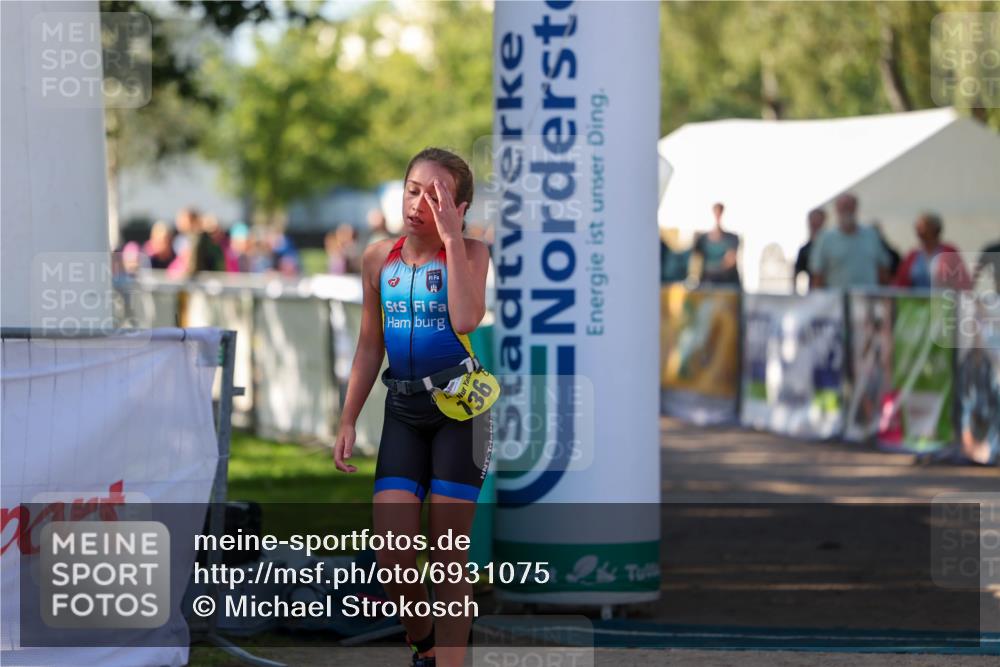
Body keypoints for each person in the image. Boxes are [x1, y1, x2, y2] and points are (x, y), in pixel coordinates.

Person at [333, 148, 493, 667]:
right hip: (403, 410)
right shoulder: (379, 258)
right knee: (392, 555)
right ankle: (424, 644)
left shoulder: (470, 253)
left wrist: (450, 236)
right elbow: (368, 345)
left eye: (438, 195)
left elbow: (467, 319)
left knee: (448, 557)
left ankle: (450, 661)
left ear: (461, 207)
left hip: (460, 415)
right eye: (413, 189)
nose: (421, 201)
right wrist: (348, 418)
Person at [809, 193, 889, 289]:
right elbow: (818, 274)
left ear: (856, 208)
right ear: (837, 210)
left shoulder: (871, 235)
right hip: (837, 301)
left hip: (867, 300)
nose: (846, 211)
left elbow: (882, 269)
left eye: (849, 207)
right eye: (843, 207)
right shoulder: (825, 238)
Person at [893, 213, 971, 289]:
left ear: (934, 229)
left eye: (923, 227)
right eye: (917, 227)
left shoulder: (949, 252)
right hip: (917, 301)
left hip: (943, 300)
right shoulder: (912, 255)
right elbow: (900, 283)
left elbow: (963, 282)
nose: (919, 231)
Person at [692, 202, 740, 286]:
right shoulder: (702, 239)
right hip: (707, 282)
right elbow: (696, 259)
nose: (718, 217)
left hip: (727, 283)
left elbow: (730, 260)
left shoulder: (732, 238)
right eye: (716, 213)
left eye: (720, 213)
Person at [793, 208, 826, 290]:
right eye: (813, 222)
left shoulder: (831, 246)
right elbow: (796, 273)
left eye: (818, 222)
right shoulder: (805, 249)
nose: (815, 225)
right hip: (814, 293)